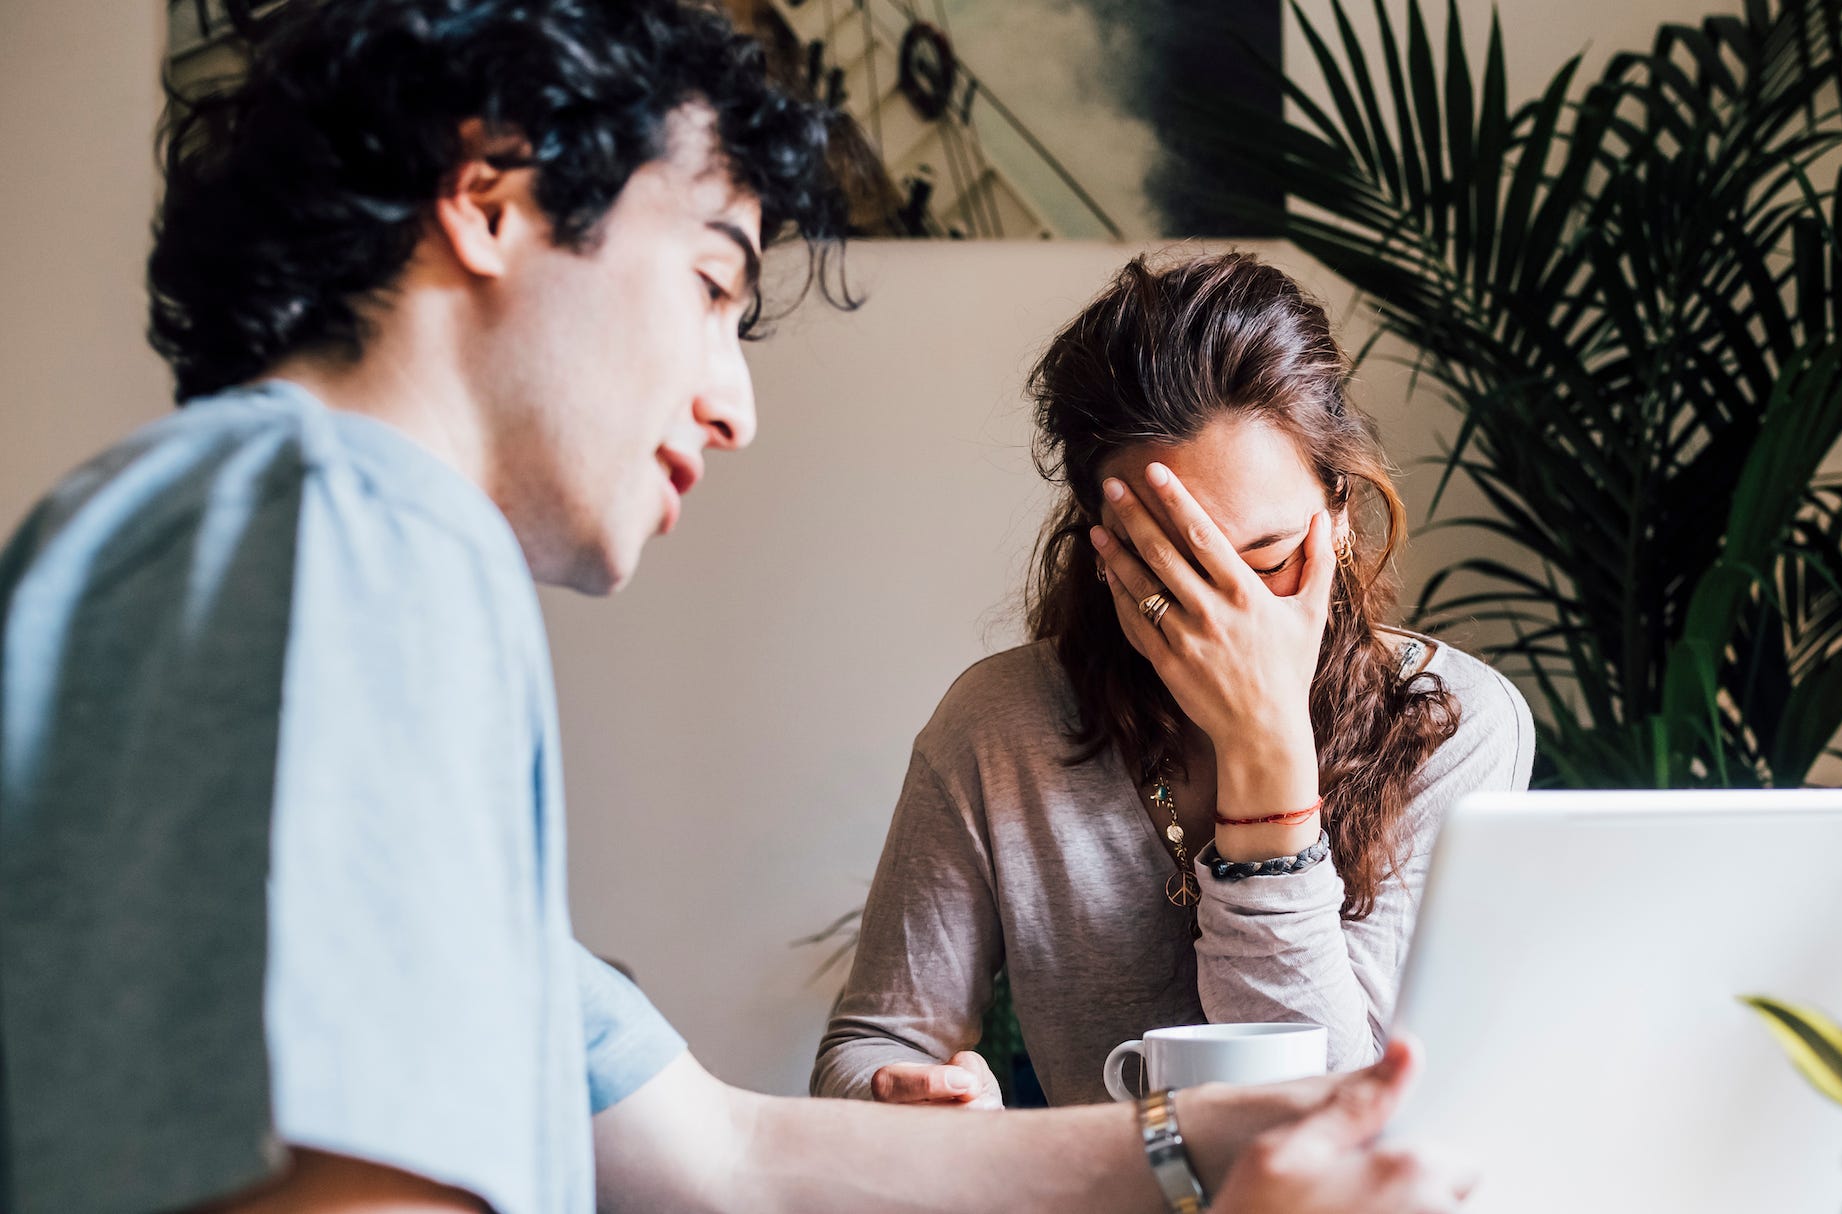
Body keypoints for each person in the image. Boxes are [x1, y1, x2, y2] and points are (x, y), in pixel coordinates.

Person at [0, 3, 1473, 1212]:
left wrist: (1212, 1147)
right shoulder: (344, 517)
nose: (736, 402)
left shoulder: (284, 542)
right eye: (715, 283)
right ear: (492, 193)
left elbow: (718, 1151)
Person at [813, 254, 1535, 1109]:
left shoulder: (1453, 722)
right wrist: (905, 1094)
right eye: (1175, 574)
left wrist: (1263, 749)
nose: (1225, 617)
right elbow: (872, 1044)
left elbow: (1336, 1116)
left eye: (1264, 561)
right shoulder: (1000, 725)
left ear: (1339, 514)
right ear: (1104, 548)